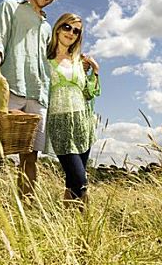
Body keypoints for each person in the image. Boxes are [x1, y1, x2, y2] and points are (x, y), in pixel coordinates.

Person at [0, 0, 67, 226]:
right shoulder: (10, 7)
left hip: (38, 94)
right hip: (8, 88)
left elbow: (50, 62)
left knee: (30, 157)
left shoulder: (48, 26)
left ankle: (23, 219)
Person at [44, 13, 100, 211]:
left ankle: (68, 223)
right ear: (58, 28)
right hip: (60, 122)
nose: (71, 33)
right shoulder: (45, 59)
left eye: (76, 31)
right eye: (67, 27)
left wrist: (95, 72)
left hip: (83, 122)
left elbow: (89, 93)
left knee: (72, 182)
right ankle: (86, 222)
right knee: (80, 179)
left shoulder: (78, 61)